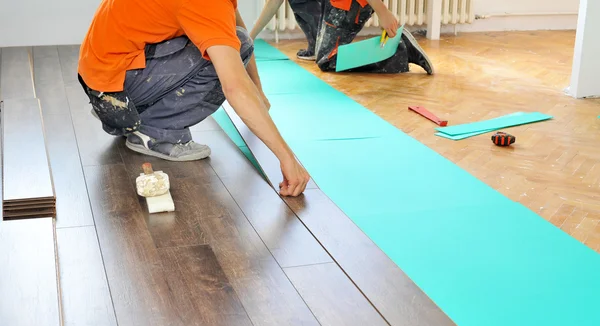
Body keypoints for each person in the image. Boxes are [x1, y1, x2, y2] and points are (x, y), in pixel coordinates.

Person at [77, 0, 310, 197]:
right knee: (226, 56)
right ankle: (156, 133)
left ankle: (125, 108)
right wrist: (286, 158)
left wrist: (258, 90)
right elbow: (235, 86)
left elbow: (235, 26)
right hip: (115, 91)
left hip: (103, 76)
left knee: (238, 41)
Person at [250, 0, 434, 74]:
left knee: (327, 61)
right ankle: (317, 45)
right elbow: (273, 3)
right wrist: (249, 39)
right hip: (335, 4)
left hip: (351, 3)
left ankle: (401, 51)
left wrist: (382, 12)